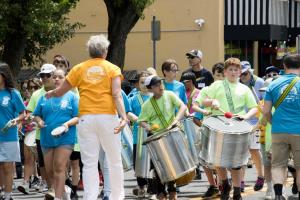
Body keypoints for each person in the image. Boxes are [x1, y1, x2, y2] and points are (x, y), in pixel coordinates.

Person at [45, 34, 128, 200]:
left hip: (86, 118)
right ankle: (117, 197)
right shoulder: (112, 68)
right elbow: (116, 94)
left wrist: (51, 93)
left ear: (90, 52)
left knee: (89, 162)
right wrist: (124, 117)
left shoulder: (79, 68)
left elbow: (61, 90)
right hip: (107, 117)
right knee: (114, 160)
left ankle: (90, 196)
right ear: (105, 51)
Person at [194, 58, 257, 200]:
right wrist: (212, 101)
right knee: (219, 160)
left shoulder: (244, 88)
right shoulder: (216, 85)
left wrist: (245, 116)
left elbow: (254, 107)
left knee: (236, 162)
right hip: (218, 124)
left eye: (236, 70)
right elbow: (202, 101)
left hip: (237, 125)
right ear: (225, 72)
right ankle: (224, 185)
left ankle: (236, 191)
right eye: (230, 70)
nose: (233, 72)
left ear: (240, 72)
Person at [138, 75, 187, 200]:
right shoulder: (147, 105)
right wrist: (147, 126)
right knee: (158, 167)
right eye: (156, 85)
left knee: (173, 164)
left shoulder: (169, 95)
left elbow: (183, 106)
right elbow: (141, 121)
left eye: (160, 83)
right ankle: (161, 192)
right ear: (150, 89)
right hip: (156, 137)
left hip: (171, 133)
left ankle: (172, 189)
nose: (160, 86)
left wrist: (176, 120)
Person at [33, 69, 79, 200]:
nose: (57, 79)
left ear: (66, 79)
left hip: (65, 137)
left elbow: (78, 117)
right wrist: (40, 121)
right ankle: (65, 190)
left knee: (59, 166)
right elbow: (36, 114)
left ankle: (57, 197)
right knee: (49, 171)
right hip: (46, 137)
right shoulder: (45, 96)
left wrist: (66, 125)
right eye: (54, 77)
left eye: (60, 77)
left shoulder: (72, 97)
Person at [263, 54, 300, 200]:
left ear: (284, 66)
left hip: (279, 130)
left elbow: (266, 111)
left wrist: (273, 122)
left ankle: (278, 195)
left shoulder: (272, 84)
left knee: (278, 165)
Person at [26, 64, 57, 193]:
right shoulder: (37, 94)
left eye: (47, 75)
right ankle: (51, 188)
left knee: (60, 165)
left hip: (63, 136)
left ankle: (61, 188)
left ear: (54, 76)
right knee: (45, 166)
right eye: (42, 76)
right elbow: (30, 114)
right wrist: (35, 120)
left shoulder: (64, 91)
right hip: (42, 135)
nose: (44, 78)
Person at [0, 63, 26, 200]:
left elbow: (23, 113)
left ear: (4, 76)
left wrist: (16, 121)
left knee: (7, 167)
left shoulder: (13, 93)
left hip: (9, 136)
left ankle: (8, 195)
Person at [239, 61, 265, 192]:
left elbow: (266, 102)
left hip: (255, 122)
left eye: (245, 73)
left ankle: (261, 176)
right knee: (241, 153)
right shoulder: (237, 84)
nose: (243, 76)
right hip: (241, 122)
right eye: (241, 73)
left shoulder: (259, 82)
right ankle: (241, 182)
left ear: (250, 72)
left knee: (254, 151)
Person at [127, 71, 152, 198]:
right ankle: (141, 186)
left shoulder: (156, 97)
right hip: (138, 135)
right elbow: (128, 113)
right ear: (137, 84)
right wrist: (139, 120)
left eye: (147, 82)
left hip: (154, 133)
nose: (144, 85)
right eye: (141, 82)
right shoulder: (133, 98)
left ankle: (153, 187)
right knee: (139, 162)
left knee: (153, 162)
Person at [17, 79, 41, 195]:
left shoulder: (43, 95)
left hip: (43, 131)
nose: (31, 90)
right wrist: (21, 122)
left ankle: (47, 182)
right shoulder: (26, 102)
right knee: (28, 158)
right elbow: (25, 116)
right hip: (30, 132)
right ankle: (26, 182)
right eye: (29, 88)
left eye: (34, 87)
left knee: (44, 162)